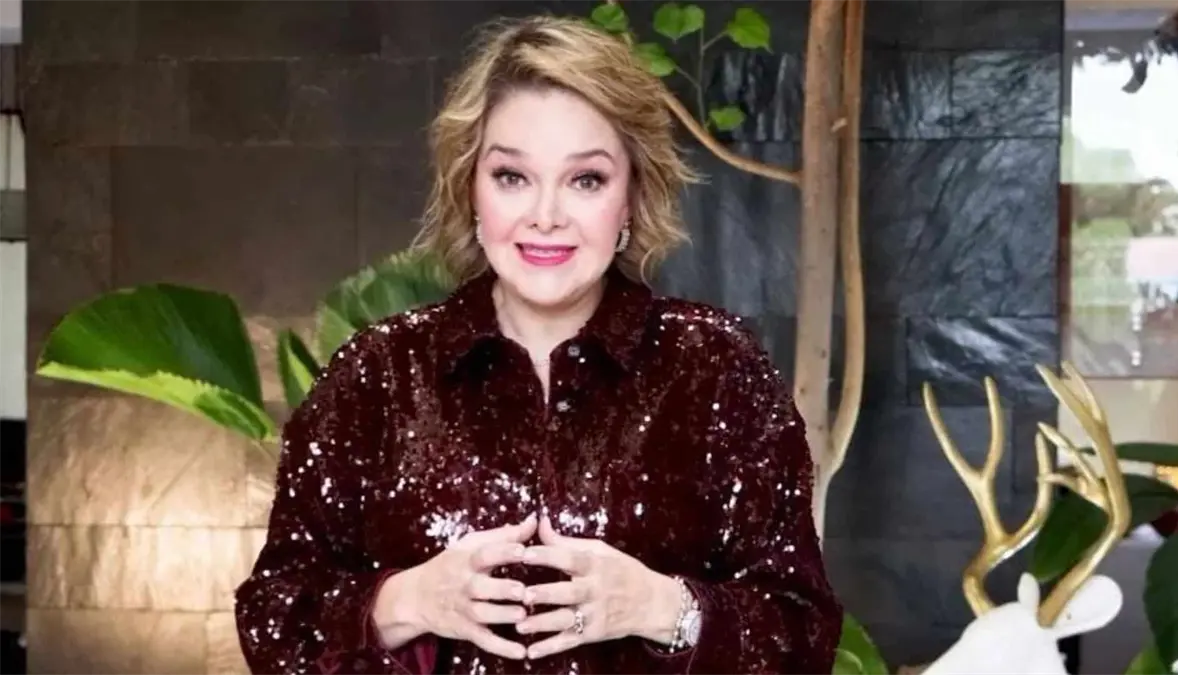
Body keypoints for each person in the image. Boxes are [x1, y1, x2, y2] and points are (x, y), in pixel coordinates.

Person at [234, 14, 843, 675]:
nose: (546, 215)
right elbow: (273, 619)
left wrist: (662, 607)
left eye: (586, 179)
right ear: (470, 188)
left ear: (632, 196)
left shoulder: (716, 367)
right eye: (512, 176)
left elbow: (803, 634)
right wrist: (406, 601)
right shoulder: (378, 373)